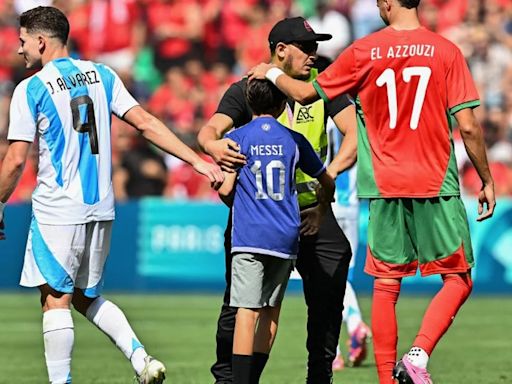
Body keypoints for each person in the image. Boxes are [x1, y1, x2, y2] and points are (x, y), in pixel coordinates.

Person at [248, 0, 496, 383]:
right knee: (458, 277)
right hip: (435, 182)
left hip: (383, 186)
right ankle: (417, 355)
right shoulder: (446, 51)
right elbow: (468, 126)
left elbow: (304, 95)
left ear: (386, 3)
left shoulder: (364, 51)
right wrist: (486, 179)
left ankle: (386, 379)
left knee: (386, 283)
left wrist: (271, 73)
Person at [0, 6, 223, 384]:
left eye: (22, 42)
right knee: (86, 296)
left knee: (55, 300)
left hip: (58, 207)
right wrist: (196, 161)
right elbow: (147, 124)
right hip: (102, 206)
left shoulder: (31, 88)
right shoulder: (102, 74)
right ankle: (140, 359)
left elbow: (15, 160)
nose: (19, 50)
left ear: (40, 41)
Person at [198, 16, 357, 384]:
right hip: (265, 214)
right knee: (238, 308)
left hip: (313, 211)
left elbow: (353, 137)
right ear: (281, 50)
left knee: (328, 301)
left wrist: (323, 193)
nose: (314, 55)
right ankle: (231, 381)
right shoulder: (249, 87)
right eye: (307, 47)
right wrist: (211, 145)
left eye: (317, 47)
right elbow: (210, 130)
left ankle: (319, 378)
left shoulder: (323, 81)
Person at [217, 78, 335, 384]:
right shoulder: (293, 139)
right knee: (270, 311)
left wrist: (223, 186)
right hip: (285, 237)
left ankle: (241, 382)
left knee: (246, 310)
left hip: (250, 236)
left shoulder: (238, 138)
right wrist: (320, 209)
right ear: (283, 105)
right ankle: (253, 379)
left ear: (249, 105)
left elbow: (227, 189)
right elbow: (327, 180)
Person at [328, 127, 371, 371]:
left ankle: (333, 350)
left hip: (328, 201)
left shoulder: (323, 112)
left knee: (323, 278)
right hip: (353, 207)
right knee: (343, 278)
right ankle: (354, 326)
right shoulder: (355, 115)